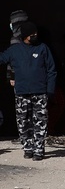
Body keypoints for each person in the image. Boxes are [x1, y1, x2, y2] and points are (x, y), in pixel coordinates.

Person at [0, 21, 56, 161]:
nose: (35, 36)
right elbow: (2, 59)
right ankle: (27, 148)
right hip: (21, 92)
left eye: (36, 33)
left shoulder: (43, 48)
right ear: (24, 36)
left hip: (40, 92)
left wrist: (50, 90)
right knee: (23, 121)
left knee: (40, 121)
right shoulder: (14, 50)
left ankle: (39, 149)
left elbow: (51, 70)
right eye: (32, 34)